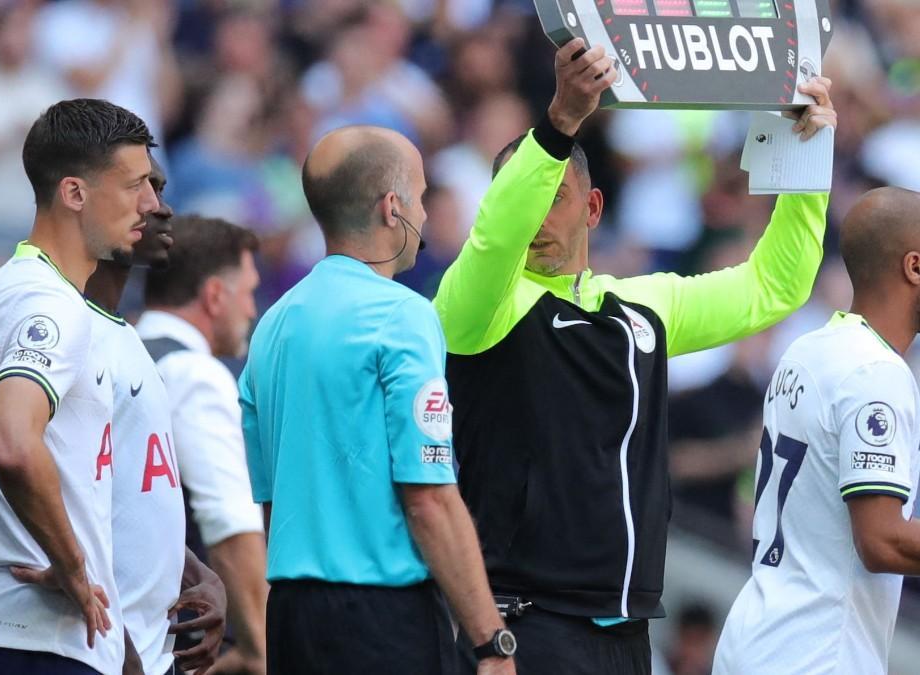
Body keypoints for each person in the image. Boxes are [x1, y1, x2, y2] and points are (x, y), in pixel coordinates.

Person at [433, 39, 837, 673]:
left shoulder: (644, 303)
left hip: (627, 632)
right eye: (521, 197)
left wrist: (804, 154)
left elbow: (773, 287)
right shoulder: (475, 306)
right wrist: (561, 122)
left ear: (594, 208)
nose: (535, 214)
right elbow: (491, 240)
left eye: (555, 195)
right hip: (518, 627)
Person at [240, 125, 514, 675]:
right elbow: (428, 498)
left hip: (292, 617)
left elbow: (272, 503)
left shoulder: (272, 324)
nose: (428, 214)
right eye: (419, 196)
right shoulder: (403, 315)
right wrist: (491, 642)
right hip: (381, 618)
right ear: (394, 207)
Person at [0, 98, 157, 675]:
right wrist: (71, 565)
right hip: (37, 635)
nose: (150, 203)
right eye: (135, 184)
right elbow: (14, 443)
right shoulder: (50, 303)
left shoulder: (9, 289)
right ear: (74, 193)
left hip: (10, 631)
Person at [712, 187, 920, 675]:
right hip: (812, 655)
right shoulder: (877, 373)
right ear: (914, 266)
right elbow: (882, 540)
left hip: (753, 638)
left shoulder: (807, 349)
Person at [82, 157, 227, 675]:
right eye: (141, 188)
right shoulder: (64, 330)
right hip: (97, 648)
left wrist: (192, 571)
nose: (162, 209)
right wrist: (116, 647)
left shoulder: (126, 336)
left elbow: (123, 496)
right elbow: (52, 496)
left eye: (161, 188)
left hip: (149, 645)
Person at [139, 215, 268, 674]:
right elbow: (229, 522)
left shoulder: (121, 354)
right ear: (215, 295)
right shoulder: (194, 374)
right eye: (248, 291)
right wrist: (257, 648)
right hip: (186, 646)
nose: (253, 310)